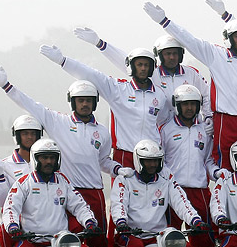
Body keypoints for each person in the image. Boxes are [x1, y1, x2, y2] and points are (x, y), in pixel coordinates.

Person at [0, 65, 124, 247]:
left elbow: (102, 160)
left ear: (95, 104)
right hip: (63, 192)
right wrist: (6, 86)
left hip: (92, 193)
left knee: (98, 244)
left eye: (89, 101)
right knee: (68, 246)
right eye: (80, 101)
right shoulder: (58, 122)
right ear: (72, 103)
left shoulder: (102, 132)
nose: (85, 105)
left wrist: (117, 169)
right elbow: (30, 104)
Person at [142, 2, 237, 170]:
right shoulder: (216, 55)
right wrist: (164, 21)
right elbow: (189, 40)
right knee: (225, 168)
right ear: (229, 38)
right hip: (225, 121)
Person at [40, 43, 172, 168]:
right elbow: (92, 74)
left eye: (146, 65)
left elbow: (163, 121)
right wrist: (63, 61)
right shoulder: (118, 89)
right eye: (139, 64)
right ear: (131, 66)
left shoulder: (159, 95)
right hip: (124, 154)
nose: (143, 68)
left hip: (152, 156)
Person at [72, 27, 212, 131]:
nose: (172, 57)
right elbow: (124, 60)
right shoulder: (152, 73)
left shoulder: (191, 73)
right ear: (160, 55)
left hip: (190, 127)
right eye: (168, 53)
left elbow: (207, 95)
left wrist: (208, 117)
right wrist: (99, 43)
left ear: (181, 55)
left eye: (175, 53)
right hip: (160, 130)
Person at [159, 84, 221, 247]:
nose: (189, 108)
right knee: (170, 243)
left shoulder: (205, 131)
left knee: (204, 244)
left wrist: (217, 174)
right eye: (185, 104)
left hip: (199, 191)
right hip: (172, 192)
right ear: (177, 105)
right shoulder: (165, 130)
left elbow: (209, 161)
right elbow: (159, 162)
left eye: (193, 104)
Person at [0, 114, 42, 247]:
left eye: (33, 133)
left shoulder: (48, 161)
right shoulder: (5, 165)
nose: (29, 137)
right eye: (25, 133)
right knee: (4, 229)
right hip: (18, 217)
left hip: (44, 214)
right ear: (17, 136)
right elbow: (1, 202)